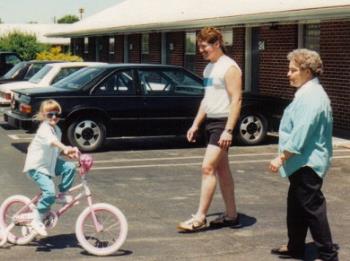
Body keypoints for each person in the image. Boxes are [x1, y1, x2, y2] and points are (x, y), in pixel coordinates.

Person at [269, 49, 338, 261]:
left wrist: (281, 157)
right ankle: (295, 246)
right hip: (301, 163)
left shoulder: (312, 97)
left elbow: (301, 133)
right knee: (297, 206)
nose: (288, 74)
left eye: (292, 70)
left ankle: (327, 255)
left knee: (312, 208)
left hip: (307, 163)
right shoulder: (308, 93)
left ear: (307, 71)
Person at [177, 27, 242, 232]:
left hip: (223, 123)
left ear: (216, 44)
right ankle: (231, 216)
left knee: (207, 168)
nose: (201, 51)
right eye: (199, 47)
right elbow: (207, 100)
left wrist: (229, 130)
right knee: (222, 171)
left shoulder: (229, 68)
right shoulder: (208, 69)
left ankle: (200, 217)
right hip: (211, 122)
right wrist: (196, 124)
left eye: (204, 46)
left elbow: (237, 99)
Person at [23, 99, 79, 236]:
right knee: (49, 192)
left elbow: (54, 148)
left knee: (70, 167)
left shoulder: (57, 129)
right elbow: (52, 142)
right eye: (50, 114)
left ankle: (63, 194)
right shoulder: (44, 129)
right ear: (43, 115)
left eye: (56, 114)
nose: (54, 117)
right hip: (37, 167)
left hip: (50, 164)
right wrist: (65, 147)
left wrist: (67, 152)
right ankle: (36, 220)